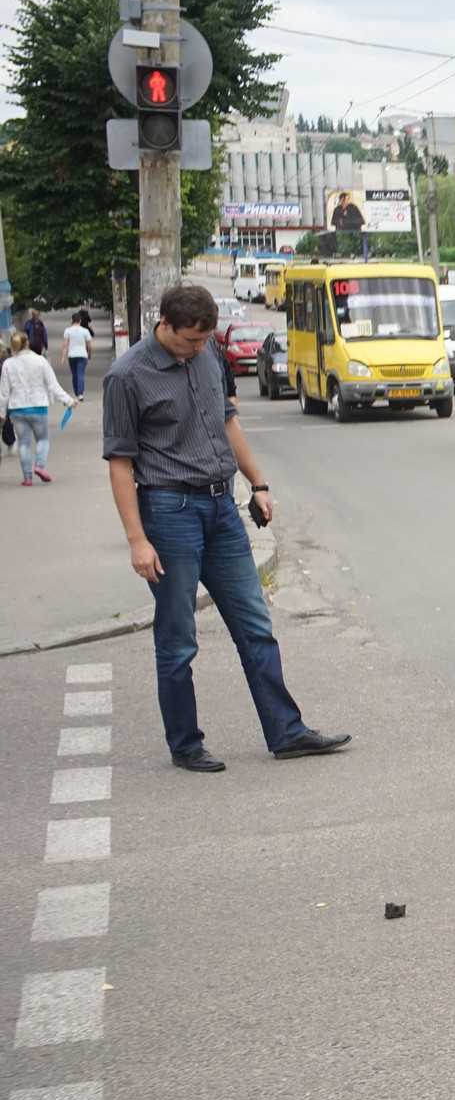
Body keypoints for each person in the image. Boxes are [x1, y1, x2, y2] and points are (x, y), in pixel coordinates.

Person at [102, 283, 350, 772]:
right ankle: (186, 744)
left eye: (204, 340)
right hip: (169, 513)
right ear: (166, 326)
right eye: (190, 341)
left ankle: (287, 731)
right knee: (178, 638)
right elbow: (119, 463)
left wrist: (258, 482)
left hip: (222, 510)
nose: (198, 349)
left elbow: (228, 421)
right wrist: (137, 539)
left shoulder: (209, 353)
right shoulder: (127, 375)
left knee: (256, 626)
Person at [2, 330, 75, 485]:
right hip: (38, 406)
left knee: (24, 443)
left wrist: (2, 412)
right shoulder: (40, 361)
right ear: (27, 343)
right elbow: (53, 385)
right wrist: (68, 400)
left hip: (17, 409)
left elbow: (4, 392)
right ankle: (40, 466)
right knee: (43, 439)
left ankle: (27, 478)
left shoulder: (8, 364)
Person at [64, 312, 92, 397]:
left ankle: (76, 392)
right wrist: (89, 354)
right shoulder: (85, 331)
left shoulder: (67, 331)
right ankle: (80, 394)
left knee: (74, 374)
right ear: (80, 320)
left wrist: (63, 356)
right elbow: (89, 345)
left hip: (71, 355)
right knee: (81, 374)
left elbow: (65, 344)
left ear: (72, 320)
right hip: (82, 355)